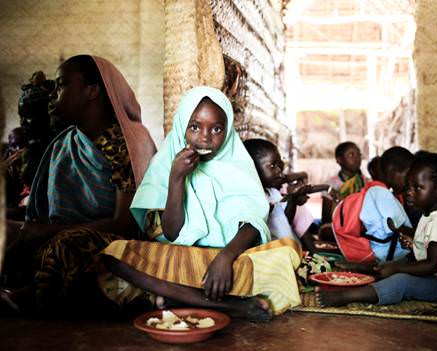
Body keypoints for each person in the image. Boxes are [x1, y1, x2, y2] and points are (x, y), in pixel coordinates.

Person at [98, 87, 302, 321]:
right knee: (114, 255)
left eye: (216, 129)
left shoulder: (238, 166)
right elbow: (171, 233)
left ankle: (178, 297)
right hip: (179, 257)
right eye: (195, 127)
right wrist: (176, 179)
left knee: (287, 252)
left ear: (227, 132)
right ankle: (231, 306)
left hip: (228, 261)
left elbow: (254, 223)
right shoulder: (165, 164)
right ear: (182, 126)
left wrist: (225, 258)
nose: (205, 137)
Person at [2, 55, 156, 312]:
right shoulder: (66, 142)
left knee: (68, 243)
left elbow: (126, 223)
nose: (54, 95)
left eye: (62, 85)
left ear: (91, 91)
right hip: (60, 232)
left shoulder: (126, 143)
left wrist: (48, 232)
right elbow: (46, 216)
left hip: (114, 242)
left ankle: (30, 298)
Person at [319, 152, 437, 306]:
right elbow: (428, 244)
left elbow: (433, 264)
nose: (409, 191)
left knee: (401, 280)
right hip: (436, 276)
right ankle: (364, 270)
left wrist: (398, 268)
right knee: (394, 265)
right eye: (410, 186)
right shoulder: (430, 215)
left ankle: (345, 296)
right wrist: (413, 244)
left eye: (418, 187)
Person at [244, 138, 317, 253]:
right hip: (275, 257)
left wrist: (292, 198)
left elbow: (285, 218)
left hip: (291, 251)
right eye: (272, 166)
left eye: (278, 164)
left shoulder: (272, 192)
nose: (279, 170)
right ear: (253, 167)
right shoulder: (252, 199)